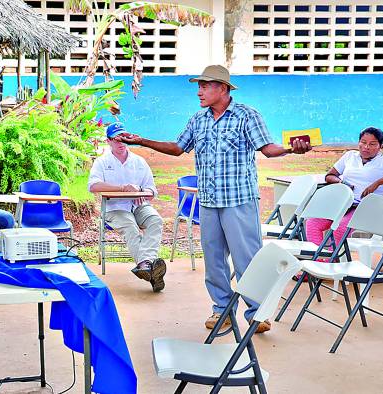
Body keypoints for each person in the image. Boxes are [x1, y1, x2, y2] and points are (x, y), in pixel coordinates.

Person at [117, 65, 311, 333]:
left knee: (248, 260)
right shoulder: (199, 120)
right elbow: (177, 148)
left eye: (204, 86)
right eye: (199, 86)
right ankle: (222, 311)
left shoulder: (246, 116)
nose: (199, 92)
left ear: (222, 88)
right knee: (214, 261)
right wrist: (142, 141)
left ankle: (258, 313)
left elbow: (268, 149)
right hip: (209, 202)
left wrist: (291, 148)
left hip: (239, 200)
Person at [88, 122, 166, 292]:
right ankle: (151, 269)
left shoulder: (139, 161)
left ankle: (146, 266)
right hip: (115, 208)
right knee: (130, 226)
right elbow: (93, 186)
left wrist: (140, 190)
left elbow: (152, 190)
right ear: (108, 141)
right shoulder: (102, 162)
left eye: (124, 138)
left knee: (155, 220)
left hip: (139, 205)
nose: (121, 143)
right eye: (116, 140)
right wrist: (122, 188)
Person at [305, 127, 383, 247]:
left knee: (340, 228)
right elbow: (330, 175)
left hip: (367, 207)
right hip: (344, 203)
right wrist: (341, 183)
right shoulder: (350, 156)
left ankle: (332, 261)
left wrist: (377, 183)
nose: (366, 147)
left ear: (380, 145)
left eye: (372, 144)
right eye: (363, 142)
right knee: (312, 223)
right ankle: (320, 260)